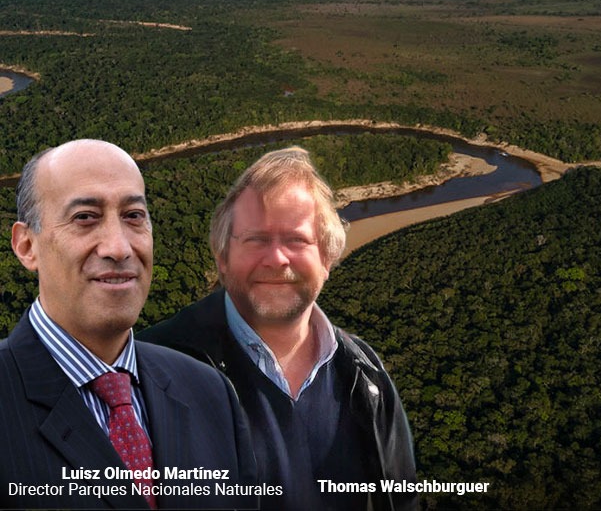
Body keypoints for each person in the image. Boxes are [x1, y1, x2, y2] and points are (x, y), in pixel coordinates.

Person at [139, 146, 418, 511]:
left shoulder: (366, 376)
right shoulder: (146, 372)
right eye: (255, 239)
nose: (276, 258)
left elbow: (402, 499)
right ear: (222, 259)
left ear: (327, 260)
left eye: (297, 240)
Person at [0, 139, 258, 510]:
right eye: (85, 217)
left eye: (133, 216)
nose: (118, 248)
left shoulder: (211, 394)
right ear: (27, 246)